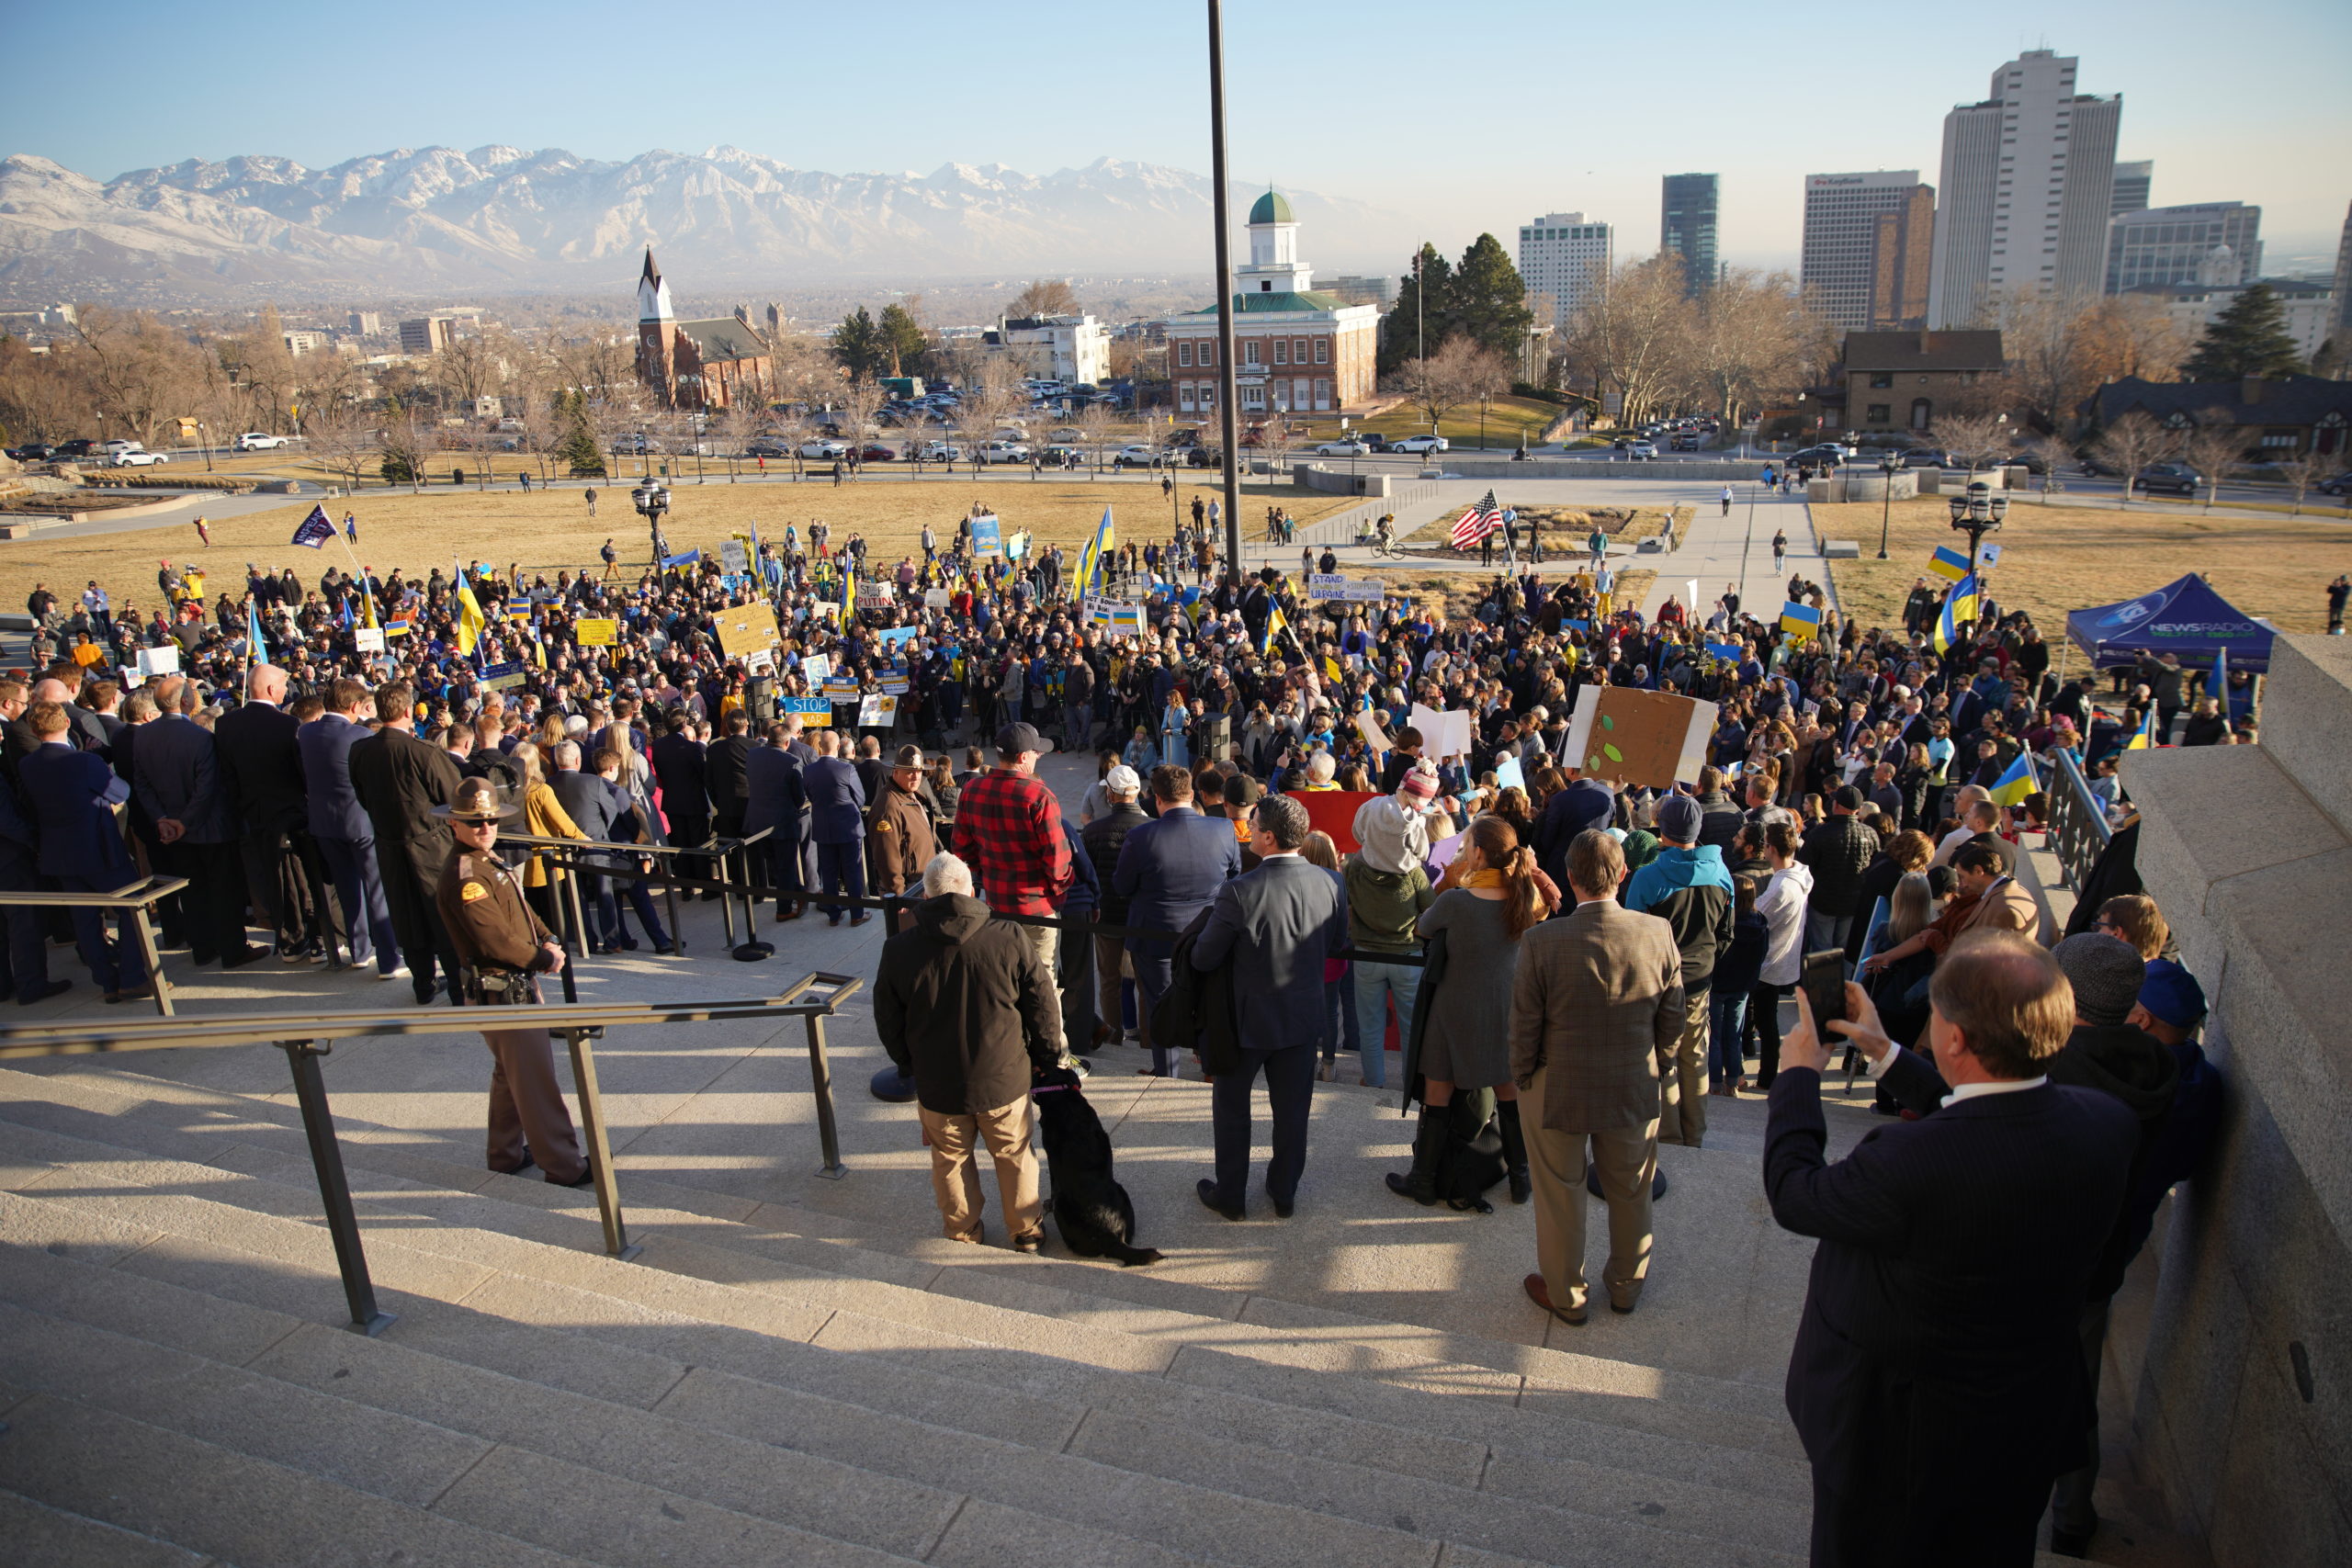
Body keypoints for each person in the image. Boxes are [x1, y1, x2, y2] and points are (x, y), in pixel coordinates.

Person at [1770, 931, 2139, 1568]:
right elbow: (1993, 1121)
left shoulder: (1906, 1164)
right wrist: (1886, 1053)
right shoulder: (2106, 1122)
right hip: (2021, 1424)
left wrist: (1799, 1077)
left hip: (1898, 1442)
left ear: (1957, 1039)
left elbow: (1797, 1193)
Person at [1510, 829, 1684, 1323]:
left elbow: (1523, 1022)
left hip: (1556, 1084)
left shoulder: (1542, 940)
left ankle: (1567, 1294)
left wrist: (1523, 1076)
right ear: (1623, 874)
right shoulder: (1657, 933)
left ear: (1569, 877)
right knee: (1632, 1188)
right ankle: (1627, 1287)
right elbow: (1674, 1016)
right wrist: (1660, 1065)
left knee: (1560, 1192)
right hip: (1633, 1081)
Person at [875, 852, 1061, 1249]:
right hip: (1004, 1077)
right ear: (972, 891)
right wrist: (1045, 1061)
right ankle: (1025, 1229)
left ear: (925, 898)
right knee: (1013, 1154)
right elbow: (1042, 1007)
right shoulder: (1009, 936)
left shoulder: (899, 949)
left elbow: (887, 1021)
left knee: (950, 1158)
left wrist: (909, 1066)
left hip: (938, 1083)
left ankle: (962, 1230)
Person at [1189, 795, 1344, 1220]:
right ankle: (1284, 1192)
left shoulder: (1239, 891)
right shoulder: (1333, 882)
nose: (1249, 831)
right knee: (1293, 1114)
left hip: (1244, 1023)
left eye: (1254, 826)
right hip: (1302, 1019)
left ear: (1269, 837)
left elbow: (1204, 958)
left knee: (1232, 1112)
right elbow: (1336, 943)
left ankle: (1232, 1196)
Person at [434, 775, 591, 1186]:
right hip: (502, 989)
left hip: (510, 986)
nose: (485, 828)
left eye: (490, 821)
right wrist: (543, 958)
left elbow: (519, 908)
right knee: (536, 1083)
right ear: (454, 824)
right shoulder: (467, 875)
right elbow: (495, 939)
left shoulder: (485, 861)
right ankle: (565, 1166)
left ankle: (504, 1155)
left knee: (511, 1075)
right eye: (475, 823)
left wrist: (547, 936)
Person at [1390, 814, 1553, 1208]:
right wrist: (1533, 870)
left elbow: (1423, 928)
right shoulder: (1525, 896)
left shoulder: (1455, 901)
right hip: (1503, 1010)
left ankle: (1424, 1180)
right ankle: (1519, 1177)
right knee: (1508, 1092)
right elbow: (1552, 901)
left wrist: (1453, 876)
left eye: (1466, 847)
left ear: (1478, 853)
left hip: (1453, 1011)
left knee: (1438, 1090)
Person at [1113, 762, 1240, 1077]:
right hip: (1207, 932)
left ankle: (1166, 1073)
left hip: (1155, 936)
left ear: (1157, 798)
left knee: (1159, 1004)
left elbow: (1123, 886)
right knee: (1208, 1000)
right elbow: (1234, 876)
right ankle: (1211, 1068)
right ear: (1192, 792)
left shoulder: (1141, 836)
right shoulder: (1223, 829)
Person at [1622, 793, 1735, 1148]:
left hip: (1659, 983)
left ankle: (1668, 1134)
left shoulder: (1648, 877)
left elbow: (1633, 938)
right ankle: (1695, 1133)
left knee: (1663, 1057)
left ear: (1663, 832)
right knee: (1695, 1057)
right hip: (1700, 981)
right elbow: (1725, 934)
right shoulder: (1722, 873)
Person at [17, 700, 149, 1003]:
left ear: (35, 730)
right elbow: (120, 792)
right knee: (132, 908)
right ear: (65, 723)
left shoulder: (28, 764)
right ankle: (132, 977)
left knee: (85, 920)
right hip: (99, 850)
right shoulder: (84, 762)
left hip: (60, 854)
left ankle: (106, 982)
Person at [348, 681, 467, 1006]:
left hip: (389, 844)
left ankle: (423, 985)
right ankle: (457, 988)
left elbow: (363, 797)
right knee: (441, 916)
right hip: (430, 846)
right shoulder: (423, 752)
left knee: (407, 916)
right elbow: (456, 800)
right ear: (406, 711)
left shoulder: (360, 750)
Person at [132, 675, 264, 968]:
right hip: (210, 828)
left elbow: (142, 784)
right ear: (185, 701)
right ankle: (233, 950)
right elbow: (207, 786)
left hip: (174, 832)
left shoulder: (143, 735)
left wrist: (164, 819)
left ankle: (203, 949)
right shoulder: (201, 737)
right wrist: (182, 821)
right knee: (224, 890)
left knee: (191, 891)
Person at [215, 661, 325, 964]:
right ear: (271, 689)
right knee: (300, 881)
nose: (285, 692)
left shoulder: (226, 725)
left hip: (254, 818)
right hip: (291, 816)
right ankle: (309, 938)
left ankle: (289, 939)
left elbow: (227, 777)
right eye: (283, 686)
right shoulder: (286, 725)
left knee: (272, 880)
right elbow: (301, 773)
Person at [950, 721, 1073, 980]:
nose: (1038, 757)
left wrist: (984, 874)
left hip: (996, 904)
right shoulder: (1039, 796)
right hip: (1037, 909)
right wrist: (1060, 890)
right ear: (1023, 757)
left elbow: (961, 850)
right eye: (1036, 753)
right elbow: (1057, 861)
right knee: (1043, 982)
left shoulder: (972, 790)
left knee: (1004, 978)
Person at [300, 676, 401, 979]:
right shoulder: (360, 735)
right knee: (375, 890)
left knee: (347, 889)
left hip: (324, 822)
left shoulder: (305, 732)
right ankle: (387, 959)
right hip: (360, 821)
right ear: (355, 705)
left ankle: (360, 952)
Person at [1343, 782, 1437, 1090]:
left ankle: (1374, 1082)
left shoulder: (1354, 867)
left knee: (1370, 1026)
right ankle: (1410, 1084)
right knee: (1411, 1026)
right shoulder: (1414, 873)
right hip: (1406, 956)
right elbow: (1433, 912)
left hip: (1366, 954)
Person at [1080, 764, 1148, 1049]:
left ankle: (1114, 1036)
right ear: (1137, 793)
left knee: (1109, 979)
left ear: (1110, 794)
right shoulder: (1151, 828)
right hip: (1142, 919)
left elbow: (1086, 875)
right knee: (1146, 982)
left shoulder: (1093, 830)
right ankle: (1149, 1041)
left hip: (1106, 916)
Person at [804, 728, 870, 924]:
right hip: (848, 827)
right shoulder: (846, 769)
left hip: (824, 827)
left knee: (829, 873)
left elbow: (810, 795)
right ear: (839, 746)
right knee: (852, 872)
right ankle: (857, 915)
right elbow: (860, 798)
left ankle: (833, 915)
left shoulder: (808, 770)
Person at [865, 744, 939, 897]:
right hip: (908, 889)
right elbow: (887, 862)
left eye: (919, 771)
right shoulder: (888, 808)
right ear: (896, 772)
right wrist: (900, 898)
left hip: (922, 883)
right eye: (910, 772)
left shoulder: (913, 794)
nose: (916, 776)